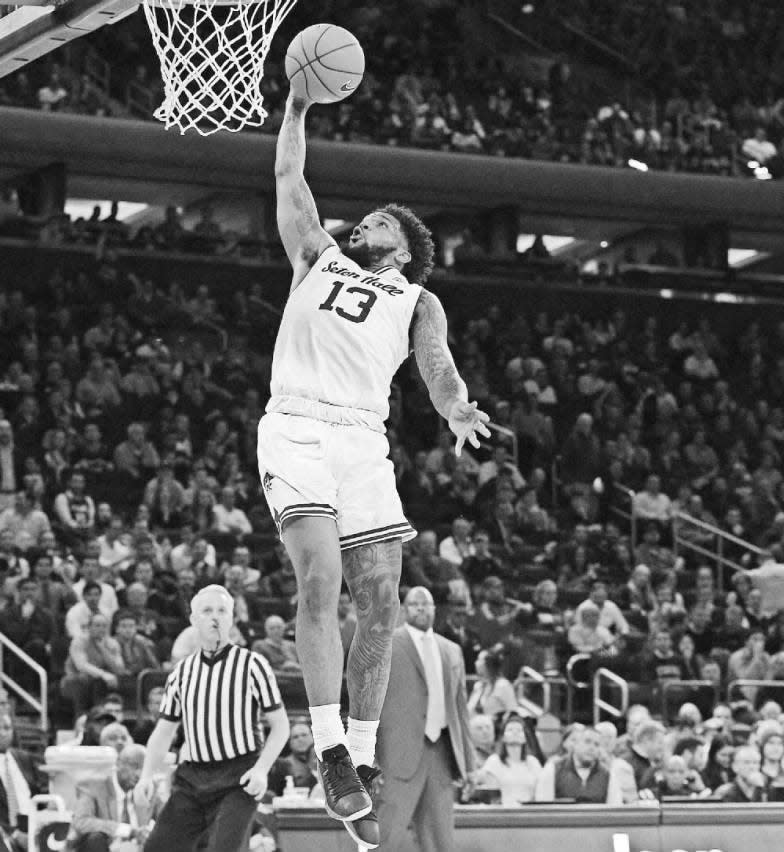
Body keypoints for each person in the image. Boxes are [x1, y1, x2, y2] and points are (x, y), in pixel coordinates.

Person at [257, 81, 490, 846]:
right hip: (295, 424)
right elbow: (291, 182)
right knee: (320, 578)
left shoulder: (417, 300)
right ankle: (329, 747)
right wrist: (293, 113)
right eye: (362, 219)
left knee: (382, 599)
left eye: (379, 222)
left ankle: (356, 757)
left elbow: (438, 367)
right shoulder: (316, 254)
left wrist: (455, 407)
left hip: (361, 437)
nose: (363, 224)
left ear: (405, 246)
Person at [133, 585, 289, 852]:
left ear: (232, 619)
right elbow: (164, 730)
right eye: (207, 611)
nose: (215, 617)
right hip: (191, 778)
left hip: (240, 775)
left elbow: (281, 725)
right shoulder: (181, 671)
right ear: (194, 620)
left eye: (222, 611)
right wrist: (146, 776)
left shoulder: (252, 664)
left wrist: (262, 769)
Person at [374, 586, 474, 852]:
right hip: (396, 754)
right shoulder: (385, 643)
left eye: (425, 604)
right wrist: (369, 756)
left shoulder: (452, 650)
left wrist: (469, 763)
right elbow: (370, 701)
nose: (420, 608)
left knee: (441, 840)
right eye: (414, 604)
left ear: (434, 609)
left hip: (440, 752)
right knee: (385, 837)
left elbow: (461, 711)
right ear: (404, 610)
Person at [72, 743, 161, 852]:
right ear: (118, 763)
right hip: (106, 847)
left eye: (144, 769)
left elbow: (170, 820)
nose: (139, 774)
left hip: (137, 849)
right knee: (94, 838)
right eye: (134, 766)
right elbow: (81, 822)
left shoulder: (149, 789)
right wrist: (128, 831)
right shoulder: (93, 787)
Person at [535, 726, 622, 804]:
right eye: (587, 741)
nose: (592, 748)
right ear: (575, 744)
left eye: (596, 744)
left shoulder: (608, 775)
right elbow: (543, 809)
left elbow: (615, 810)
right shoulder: (553, 769)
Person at [0, 711, 45, 852]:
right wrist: (14, 834)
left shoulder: (24, 758)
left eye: (6, 728)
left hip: (33, 827)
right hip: (6, 833)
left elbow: (39, 795)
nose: (2, 733)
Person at [476, 715, 541, 805]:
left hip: (529, 812)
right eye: (510, 730)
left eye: (519, 730)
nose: (515, 732)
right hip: (503, 813)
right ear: (503, 737)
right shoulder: (494, 762)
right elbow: (493, 797)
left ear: (525, 738)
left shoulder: (533, 762)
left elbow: (540, 793)